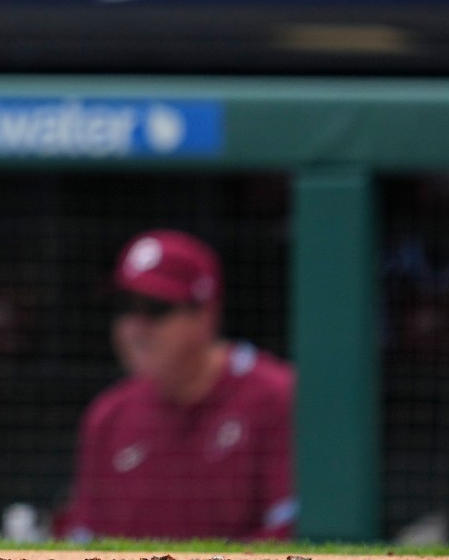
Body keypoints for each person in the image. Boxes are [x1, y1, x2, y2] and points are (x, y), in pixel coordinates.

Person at [59, 230, 294, 541]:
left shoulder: (277, 397)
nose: (135, 328)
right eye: (125, 306)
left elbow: (293, 534)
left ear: (206, 316)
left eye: (155, 309)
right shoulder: (108, 417)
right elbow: (84, 540)